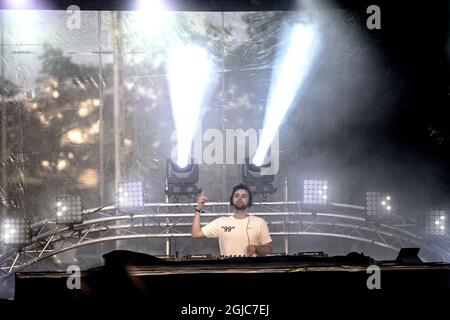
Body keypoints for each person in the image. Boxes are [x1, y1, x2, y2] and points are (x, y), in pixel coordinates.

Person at [191, 183, 273, 257]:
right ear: (232, 199)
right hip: (228, 271)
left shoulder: (259, 222)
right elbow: (196, 233)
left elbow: (269, 249)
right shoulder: (221, 222)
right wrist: (198, 209)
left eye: (244, 196)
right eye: (236, 196)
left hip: (251, 271)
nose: (239, 198)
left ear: (249, 201)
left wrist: (256, 248)